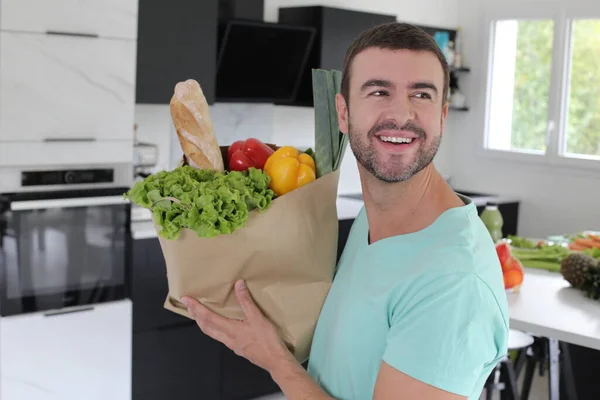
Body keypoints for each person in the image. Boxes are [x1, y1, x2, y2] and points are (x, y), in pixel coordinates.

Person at [181, 22, 509, 400]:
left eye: (421, 94)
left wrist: (277, 362)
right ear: (343, 111)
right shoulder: (376, 217)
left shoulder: (453, 282)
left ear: (442, 116)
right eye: (379, 91)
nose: (401, 114)